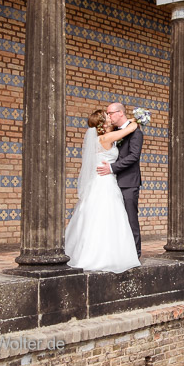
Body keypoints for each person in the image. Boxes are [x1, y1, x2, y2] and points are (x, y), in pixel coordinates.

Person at [65, 110, 140, 273]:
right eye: (107, 117)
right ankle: (104, 256)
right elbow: (129, 129)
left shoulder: (103, 138)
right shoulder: (105, 138)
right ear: (104, 124)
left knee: (100, 217)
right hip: (105, 182)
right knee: (108, 217)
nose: (110, 118)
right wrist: (136, 120)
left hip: (103, 180)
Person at [97, 102, 144, 258]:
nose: (109, 116)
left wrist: (111, 168)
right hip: (111, 183)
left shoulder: (135, 132)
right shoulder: (115, 131)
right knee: (116, 219)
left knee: (130, 218)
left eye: (110, 113)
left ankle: (135, 254)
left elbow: (133, 157)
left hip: (128, 182)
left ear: (120, 113)